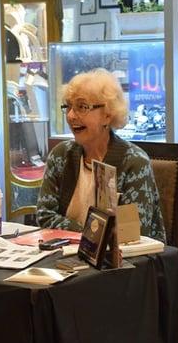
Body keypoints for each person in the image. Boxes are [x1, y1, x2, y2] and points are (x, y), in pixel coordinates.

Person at [36, 68, 166, 242]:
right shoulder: (61, 155)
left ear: (107, 114)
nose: (71, 115)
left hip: (129, 264)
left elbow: (133, 233)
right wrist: (90, 235)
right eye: (68, 106)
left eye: (82, 107)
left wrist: (83, 235)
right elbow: (44, 216)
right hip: (68, 256)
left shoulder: (133, 162)